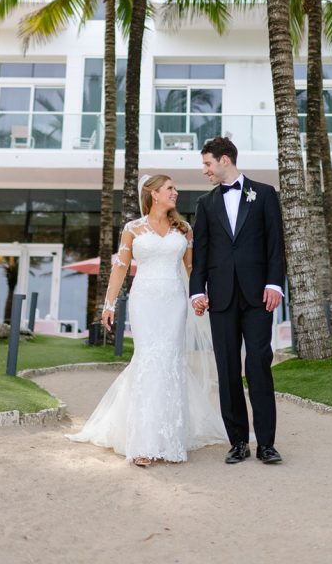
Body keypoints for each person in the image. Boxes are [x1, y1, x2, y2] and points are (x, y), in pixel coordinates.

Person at [68, 174, 226, 466]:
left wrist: (198, 296)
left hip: (174, 302)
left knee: (170, 361)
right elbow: (120, 267)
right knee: (148, 360)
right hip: (145, 301)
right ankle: (141, 442)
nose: (175, 193)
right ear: (153, 194)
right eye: (170, 188)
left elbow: (191, 268)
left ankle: (171, 439)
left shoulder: (184, 229)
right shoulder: (132, 229)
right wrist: (109, 303)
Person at [190, 136, 285, 465]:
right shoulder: (205, 203)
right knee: (227, 368)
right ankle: (238, 442)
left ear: (224, 160)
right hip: (221, 297)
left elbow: (275, 244)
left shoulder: (265, 194)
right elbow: (199, 251)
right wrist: (197, 291)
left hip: (259, 295)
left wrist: (275, 283)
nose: (205, 171)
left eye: (207, 164)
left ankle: (267, 445)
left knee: (258, 364)